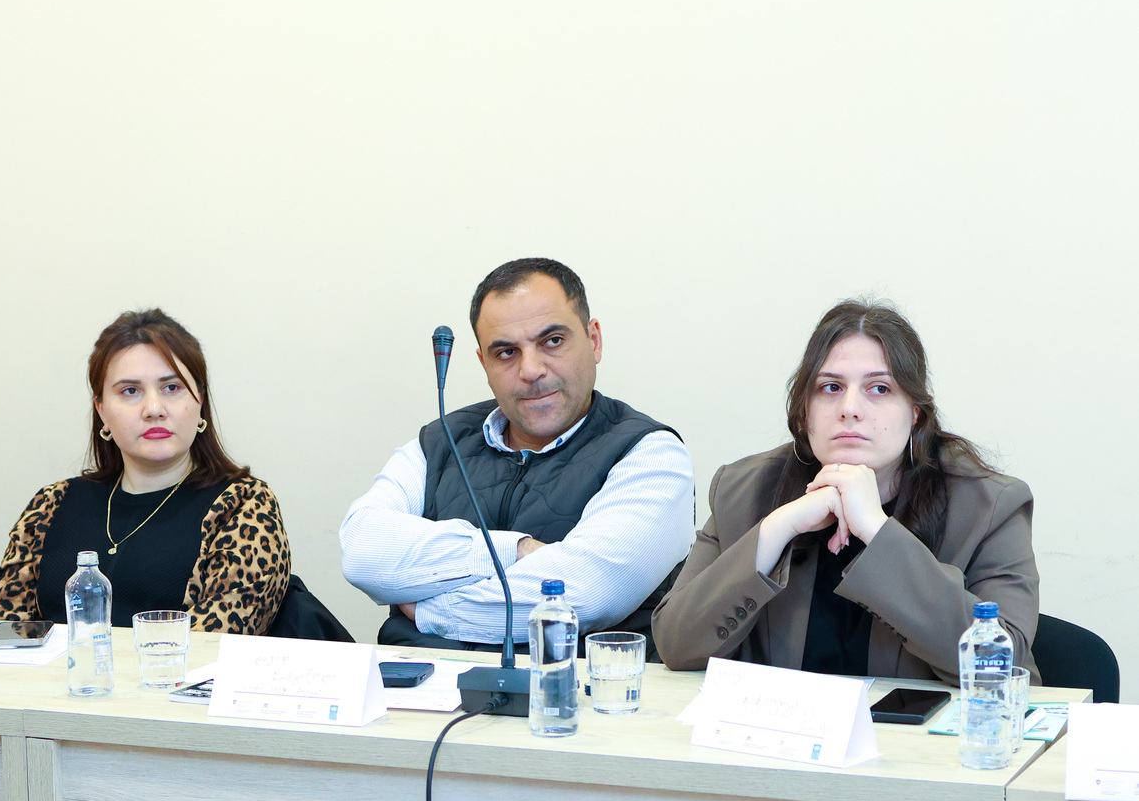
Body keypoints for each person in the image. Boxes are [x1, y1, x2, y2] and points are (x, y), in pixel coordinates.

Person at [652, 300, 1039, 683]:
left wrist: (876, 529)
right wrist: (778, 528)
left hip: (921, 727)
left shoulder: (988, 506)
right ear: (805, 411)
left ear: (915, 412)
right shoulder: (743, 491)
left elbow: (1002, 664)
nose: (850, 408)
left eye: (880, 388)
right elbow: (675, 645)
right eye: (831, 387)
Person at [341, 257, 695, 650]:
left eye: (552, 341)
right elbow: (361, 549)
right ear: (484, 363)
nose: (530, 370)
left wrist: (429, 611)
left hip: (567, 684)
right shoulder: (440, 441)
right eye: (506, 352)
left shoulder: (650, 453)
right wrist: (516, 550)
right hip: (421, 681)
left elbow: (585, 594)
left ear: (593, 340)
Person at [0, 309, 291, 632]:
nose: (154, 409)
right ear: (102, 410)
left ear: (200, 401)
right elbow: (2, 635)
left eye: (171, 387)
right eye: (130, 391)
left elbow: (214, 643)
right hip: (50, 670)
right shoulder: (51, 504)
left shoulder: (242, 504)